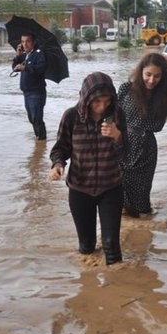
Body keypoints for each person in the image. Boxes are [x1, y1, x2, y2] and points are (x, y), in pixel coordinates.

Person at [48, 72, 127, 265]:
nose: (102, 107)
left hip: (111, 188)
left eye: (107, 101)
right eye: (97, 101)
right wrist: (57, 165)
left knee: (112, 248)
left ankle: (119, 288)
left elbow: (127, 154)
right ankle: (88, 286)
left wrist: (118, 136)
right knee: (87, 247)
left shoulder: (117, 114)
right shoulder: (71, 117)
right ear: (86, 98)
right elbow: (60, 148)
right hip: (79, 189)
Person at [118, 53, 167, 218]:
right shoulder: (126, 89)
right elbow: (111, 113)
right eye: (148, 74)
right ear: (141, 72)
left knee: (142, 199)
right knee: (118, 193)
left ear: (163, 77)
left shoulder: (165, 96)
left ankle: (144, 229)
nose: (151, 80)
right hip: (122, 145)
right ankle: (127, 231)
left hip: (146, 150)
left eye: (157, 76)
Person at [12, 33, 48, 140]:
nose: (25, 44)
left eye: (27, 41)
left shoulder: (39, 53)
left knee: (36, 117)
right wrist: (17, 56)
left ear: (33, 42)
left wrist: (26, 67)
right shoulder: (24, 55)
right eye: (22, 42)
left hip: (37, 92)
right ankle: (39, 139)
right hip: (26, 92)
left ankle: (42, 139)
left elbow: (41, 70)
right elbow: (14, 68)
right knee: (31, 118)